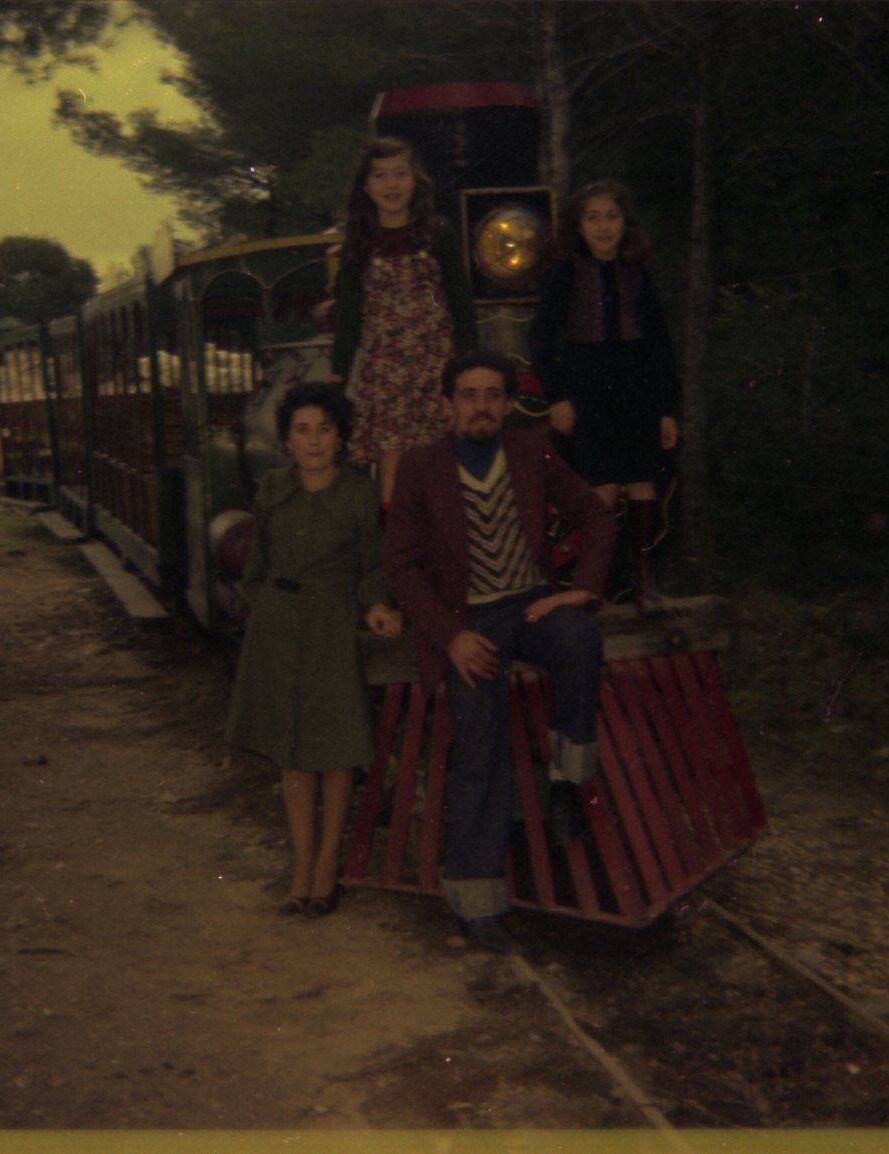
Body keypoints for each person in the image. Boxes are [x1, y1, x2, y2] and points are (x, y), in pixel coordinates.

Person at [383, 350, 616, 953]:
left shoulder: (531, 451)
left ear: (508, 404)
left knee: (579, 639)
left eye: (492, 395)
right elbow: (401, 567)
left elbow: (595, 513)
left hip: (531, 606)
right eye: (468, 395)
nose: (481, 406)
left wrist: (581, 589)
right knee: (480, 746)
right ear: (447, 405)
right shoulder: (420, 466)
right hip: (470, 623)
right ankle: (477, 899)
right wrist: (451, 637)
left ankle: (566, 782)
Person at [226, 383, 402, 919]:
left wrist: (376, 604)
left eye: (325, 429)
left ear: (341, 437)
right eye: (302, 430)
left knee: (335, 749)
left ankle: (328, 866)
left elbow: (372, 565)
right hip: (279, 630)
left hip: (332, 626)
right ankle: (301, 866)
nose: (314, 441)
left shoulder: (358, 493)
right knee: (293, 752)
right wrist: (264, 611)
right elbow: (257, 566)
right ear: (287, 439)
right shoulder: (273, 489)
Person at [527, 179, 680, 608]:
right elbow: (540, 338)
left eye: (612, 217)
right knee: (602, 487)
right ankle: (594, 583)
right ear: (578, 225)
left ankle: (645, 581)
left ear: (626, 223)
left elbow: (660, 346)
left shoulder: (638, 274)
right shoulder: (567, 273)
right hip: (589, 391)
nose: (603, 226)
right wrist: (557, 396)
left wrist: (667, 409)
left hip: (638, 390)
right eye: (593, 218)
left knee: (642, 483)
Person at [328, 136, 477, 507]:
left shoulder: (439, 235)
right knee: (393, 462)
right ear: (366, 186)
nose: (391, 185)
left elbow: (461, 306)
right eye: (380, 176)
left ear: (415, 181)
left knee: (440, 458)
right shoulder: (357, 244)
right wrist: (338, 374)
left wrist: (467, 368)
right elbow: (348, 315)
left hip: (434, 367)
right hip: (385, 373)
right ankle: (397, 537)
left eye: (400, 174)